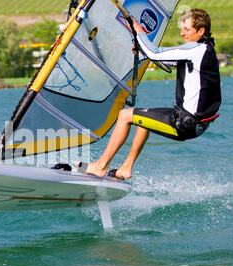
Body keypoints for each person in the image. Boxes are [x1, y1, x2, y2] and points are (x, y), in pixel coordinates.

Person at [78, 8, 221, 179]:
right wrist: (142, 49)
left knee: (124, 115)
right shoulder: (206, 51)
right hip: (192, 122)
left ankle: (100, 166)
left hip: (184, 121)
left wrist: (139, 30)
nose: (182, 33)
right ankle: (126, 168)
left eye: (187, 29)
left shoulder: (196, 50)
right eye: (182, 29)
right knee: (143, 119)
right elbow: (162, 59)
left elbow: (154, 53)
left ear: (201, 31)